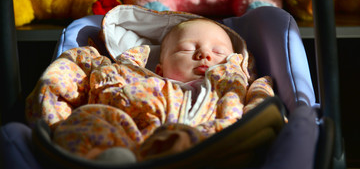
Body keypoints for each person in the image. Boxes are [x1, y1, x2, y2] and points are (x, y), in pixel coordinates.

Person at [26, 17, 275, 162]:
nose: (204, 54)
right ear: (159, 67)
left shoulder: (234, 86)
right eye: (188, 49)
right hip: (132, 140)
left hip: (210, 143)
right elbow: (75, 70)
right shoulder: (134, 76)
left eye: (219, 52)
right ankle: (101, 158)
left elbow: (263, 105)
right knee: (88, 117)